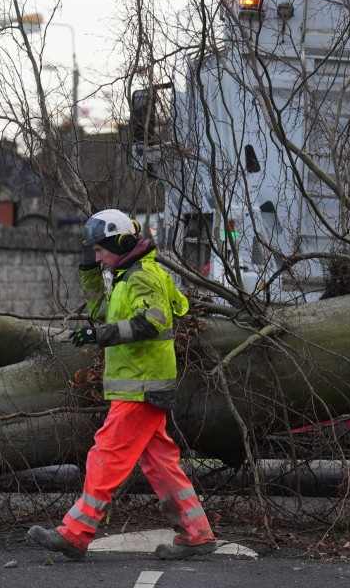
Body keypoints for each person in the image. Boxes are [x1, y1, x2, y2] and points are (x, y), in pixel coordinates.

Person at [28, 209, 217, 561]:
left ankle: (76, 533)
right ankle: (197, 534)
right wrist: (88, 272)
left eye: (100, 250)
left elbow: (151, 321)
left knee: (106, 457)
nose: (97, 256)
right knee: (161, 464)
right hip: (142, 386)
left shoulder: (142, 276)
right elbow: (102, 312)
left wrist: (99, 336)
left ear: (120, 242)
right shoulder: (126, 276)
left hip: (141, 388)